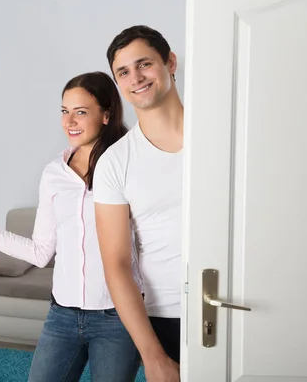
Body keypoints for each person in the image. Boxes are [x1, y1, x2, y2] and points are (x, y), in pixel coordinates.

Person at [0, 71, 143, 382]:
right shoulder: (54, 173)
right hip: (62, 315)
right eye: (64, 111)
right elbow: (42, 252)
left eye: (81, 112)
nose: (69, 121)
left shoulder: (130, 165)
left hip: (118, 316)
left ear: (106, 114)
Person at [92, 25, 183, 382]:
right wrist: (153, 357)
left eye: (144, 64)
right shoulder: (115, 163)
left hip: (235, 304)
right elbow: (116, 264)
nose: (136, 78)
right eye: (124, 72)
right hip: (166, 316)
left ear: (170, 62)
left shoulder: (222, 133)